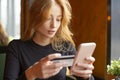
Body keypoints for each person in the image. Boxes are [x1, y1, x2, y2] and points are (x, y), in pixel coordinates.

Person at [4, 0, 95, 80]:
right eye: (48, 18)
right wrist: (32, 73)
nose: (54, 25)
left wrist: (87, 76)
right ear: (35, 17)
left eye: (58, 19)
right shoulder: (16, 47)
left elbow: (82, 77)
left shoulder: (66, 46)